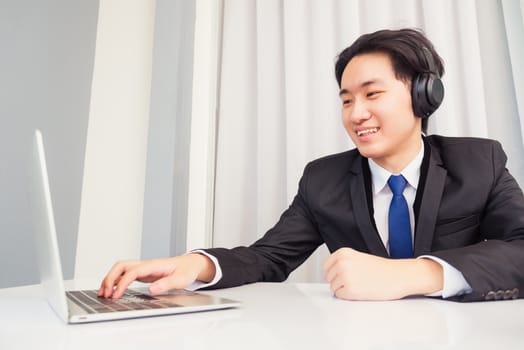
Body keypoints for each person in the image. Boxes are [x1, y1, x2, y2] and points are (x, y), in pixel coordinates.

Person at [99, 28, 524, 302]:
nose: (355, 114)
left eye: (372, 95)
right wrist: (196, 265)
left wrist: (418, 275)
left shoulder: (478, 162)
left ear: (422, 97)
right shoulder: (323, 179)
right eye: (346, 100)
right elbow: (268, 257)